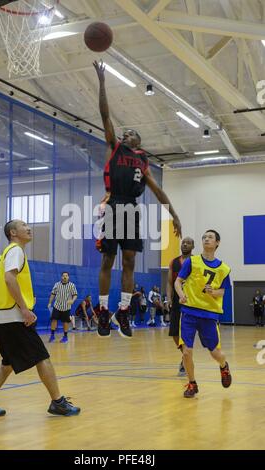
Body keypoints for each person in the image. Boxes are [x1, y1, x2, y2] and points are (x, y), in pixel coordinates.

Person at [93, 60, 182, 340]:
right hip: (114, 205)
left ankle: (122, 310)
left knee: (129, 260)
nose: (124, 133)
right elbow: (105, 114)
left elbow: (157, 191)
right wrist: (103, 83)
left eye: (129, 132)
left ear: (138, 140)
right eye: (124, 132)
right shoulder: (115, 147)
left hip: (131, 208)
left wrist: (174, 215)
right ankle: (104, 312)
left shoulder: (142, 160)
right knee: (108, 259)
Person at [0, 220, 80, 418]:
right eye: (23, 225)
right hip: (12, 316)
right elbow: (9, 279)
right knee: (42, 356)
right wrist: (24, 309)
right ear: (13, 232)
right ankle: (57, 402)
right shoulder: (15, 250)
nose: (29, 228)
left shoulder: (6, 253)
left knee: (7, 363)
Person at [175, 230, 232, 398]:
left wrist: (213, 292)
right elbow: (178, 282)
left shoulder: (224, 268)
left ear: (217, 243)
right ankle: (192, 384)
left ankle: (223, 366)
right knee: (186, 351)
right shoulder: (192, 262)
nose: (206, 239)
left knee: (216, 354)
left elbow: (222, 291)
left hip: (209, 315)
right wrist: (181, 295)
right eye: (204, 237)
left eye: (210, 237)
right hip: (189, 312)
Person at [167, 237, 194, 376]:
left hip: (192, 300)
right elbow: (170, 282)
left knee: (188, 332)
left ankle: (185, 359)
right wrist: (168, 298)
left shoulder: (197, 262)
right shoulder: (174, 262)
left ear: (193, 246)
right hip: (177, 300)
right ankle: (185, 354)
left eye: (188, 243)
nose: (184, 244)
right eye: (183, 242)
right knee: (174, 333)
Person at [48, 272, 78, 343]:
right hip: (57, 306)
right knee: (54, 320)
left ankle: (65, 337)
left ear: (68, 277)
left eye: (66, 276)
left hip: (66, 307)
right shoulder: (57, 284)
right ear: (61, 277)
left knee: (65, 322)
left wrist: (72, 300)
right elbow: (53, 294)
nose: (64, 277)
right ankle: (52, 336)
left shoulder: (72, 285)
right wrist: (49, 302)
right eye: (63, 276)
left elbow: (75, 295)